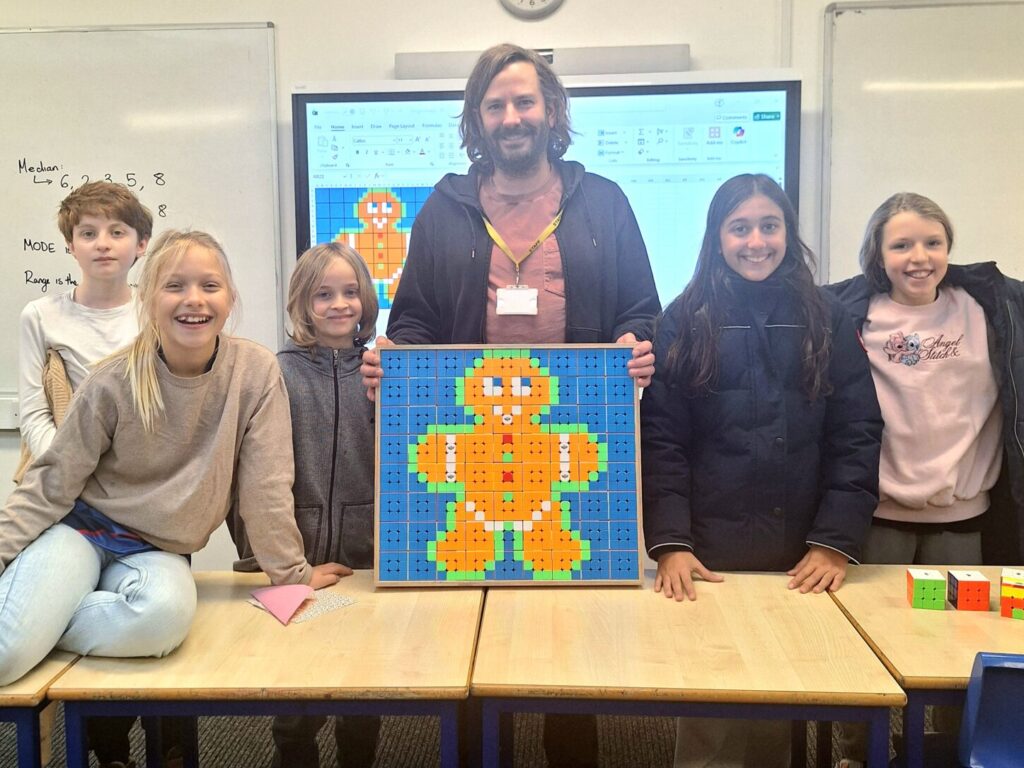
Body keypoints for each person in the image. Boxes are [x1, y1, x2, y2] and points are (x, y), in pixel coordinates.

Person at [359, 42, 660, 768]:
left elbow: (642, 310)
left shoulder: (605, 201)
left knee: (566, 617)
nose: (512, 116)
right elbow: (415, 324)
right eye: (495, 105)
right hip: (471, 442)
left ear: (551, 110)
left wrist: (637, 341)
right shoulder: (443, 207)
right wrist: (393, 363)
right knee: (463, 610)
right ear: (477, 120)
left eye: (524, 101)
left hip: (570, 439)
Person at [0, 230, 349, 768]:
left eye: (210, 285)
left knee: (162, 623)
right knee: (6, 657)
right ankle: (29, 622)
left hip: (156, 551)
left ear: (230, 298)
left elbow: (266, 487)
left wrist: (292, 575)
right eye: (175, 286)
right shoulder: (113, 378)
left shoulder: (254, 374)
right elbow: (52, 481)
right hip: (79, 531)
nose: (194, 299)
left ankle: (42, 618)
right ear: (148, 299)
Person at [641, 174, 883, 768]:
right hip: (708, 556)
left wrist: (834, 544)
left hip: (800, 554)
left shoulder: (827, 315)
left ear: (788, 232)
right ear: (716, 237)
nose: (756, 241)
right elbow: (663, 441)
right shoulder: (684, 317)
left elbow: (857, 434)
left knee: (780, 707)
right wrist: (670, 544)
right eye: (740, 227)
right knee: (711, 714)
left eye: (769, 226)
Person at [827, 192, 1024, 768]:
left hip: (964, 522)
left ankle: (947, 754)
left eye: (932, 242)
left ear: (949, 248)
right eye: (902, 244)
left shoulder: (993, 308)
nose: (920, 256)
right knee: (866, 656)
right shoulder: (848, 313)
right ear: (877, 254)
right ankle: (856, 756)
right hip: (878, 516)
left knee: (960, 662)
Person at [232, 242, 382, 768]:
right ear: (302, 302)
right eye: (324, 294)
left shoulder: (381, 373)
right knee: (294, 682)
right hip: (295, 554)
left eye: (349, 292)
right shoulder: (276, 373)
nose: (339, 304)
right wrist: (264, 556)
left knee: (364, 676)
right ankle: (294, 755)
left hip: (366, 553)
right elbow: (252, 477)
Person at [16, 181, 152, 480]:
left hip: (139, 477)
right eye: (88, 234)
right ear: (71, 246)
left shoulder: (155, 316)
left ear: (141, 244)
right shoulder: (40, 316)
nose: (103, 244)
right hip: (67, 474)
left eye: (117, 232)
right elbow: (34, 414)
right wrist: (67, 468)